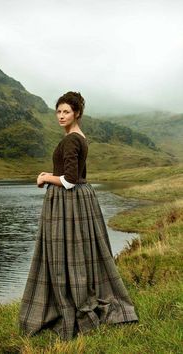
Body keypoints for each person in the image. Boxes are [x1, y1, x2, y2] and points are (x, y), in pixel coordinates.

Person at [18, 91, 138, 341]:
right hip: (79, 201)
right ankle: (78, 292)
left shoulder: (72, 139)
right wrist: (52, 174)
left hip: (67, 202)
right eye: (58, 111)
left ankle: (69, 301)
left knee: (65, 253)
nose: (61, 116)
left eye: (66, 112)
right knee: (78, 252)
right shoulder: (79, 137)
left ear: (77, 114)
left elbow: (71, 180)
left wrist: (45, 178)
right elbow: (74, 174)